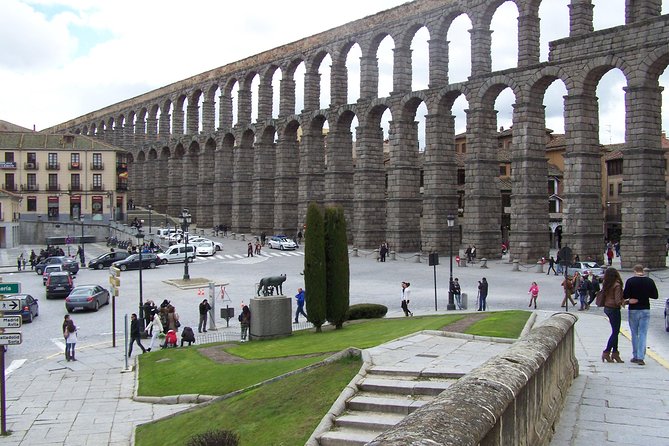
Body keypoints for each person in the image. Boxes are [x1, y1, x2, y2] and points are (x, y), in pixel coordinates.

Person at [623, 264, 659, 365]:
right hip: (645, 309)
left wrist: (631, 299)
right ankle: (640, 357)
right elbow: (655, 296)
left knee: (634, 333)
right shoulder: (649, 281)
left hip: (634, 309)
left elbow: (625, 295)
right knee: (643, 333)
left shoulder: (630, 281)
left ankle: (635, 355)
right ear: (643, 271)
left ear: (634, 271)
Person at [599, 267, 625, 363]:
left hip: (607, 307)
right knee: (615, 332)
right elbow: (618, 301)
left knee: (615, 331)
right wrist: (627, 301)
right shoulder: (617, 285)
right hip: (614, 309)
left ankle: (615, 353)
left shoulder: (607, 284)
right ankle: (606, 352)